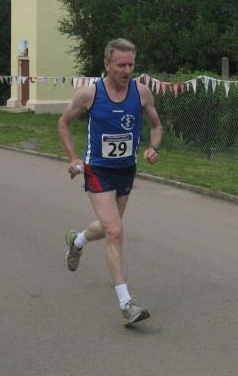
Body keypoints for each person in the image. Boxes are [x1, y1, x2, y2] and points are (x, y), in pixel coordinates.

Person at [58, 38, 162, 326]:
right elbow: (63, 123)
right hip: (98, 170)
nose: (127, 70)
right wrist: (73, 157)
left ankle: (77, 240)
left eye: (130, 65)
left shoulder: (141, 93)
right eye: (121, 65)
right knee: (115, 231)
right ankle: (127, 305)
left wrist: (154, 147)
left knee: (108, 228)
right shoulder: (89, 94)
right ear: (107, 65)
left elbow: (156, 125)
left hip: (126, 170)